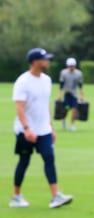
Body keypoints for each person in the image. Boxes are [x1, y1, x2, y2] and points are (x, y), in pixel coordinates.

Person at [10, 48, 73, 209]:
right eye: (45, 59)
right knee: (24, 161)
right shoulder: (23, 81)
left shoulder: (46, 80)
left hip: (43, 129)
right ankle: (16, 196)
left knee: (49, 157)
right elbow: (19, 108)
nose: (48, 62)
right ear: (35, 62)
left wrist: (51, 127)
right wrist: (27, 128)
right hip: (25, 130)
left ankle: (55, 196)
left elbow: (45, 105)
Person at [57, 57, 84, 131]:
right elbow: (61, 85)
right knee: (66, 109)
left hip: (74, 94)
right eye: (70, 66)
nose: (71, 67)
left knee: (74, 109)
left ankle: (72, 124)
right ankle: (63, 119)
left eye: (73, 66)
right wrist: (59, 95)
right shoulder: (64, 73)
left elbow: (80, 85)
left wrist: (81, 95)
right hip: (67, 94)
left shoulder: (79, 73)